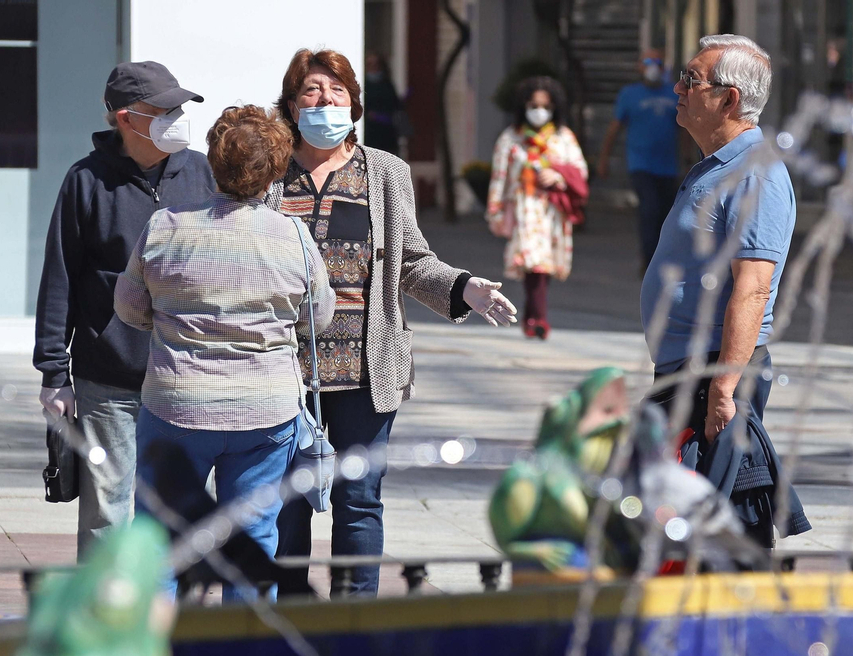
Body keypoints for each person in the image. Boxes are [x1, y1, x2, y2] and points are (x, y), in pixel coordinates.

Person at [267, 48, 518, 599]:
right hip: (284, 369)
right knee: (285, 498)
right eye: (311, 91)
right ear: (290, 104)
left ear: (354, 103)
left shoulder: (383, 172)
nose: (324, 101)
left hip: (365, 367)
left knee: (358, 498)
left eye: (336, 92)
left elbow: (410, 261)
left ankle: (354, 616)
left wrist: (464, 288)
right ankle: (287, 614)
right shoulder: (270, 172)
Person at [115, 105, 335, 600]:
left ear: (214, 163)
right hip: (265, 414)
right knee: (254, 538)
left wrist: (173, 320)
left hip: (176, 406)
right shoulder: (294, 238)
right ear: (276, 169)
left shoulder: (166, 225)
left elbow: (128, 306)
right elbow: (317, 319)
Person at [34, 61, 216, 560]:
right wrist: (53, 374)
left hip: (188, 378)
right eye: (163, 109)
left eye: (179, 107)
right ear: (125, 118)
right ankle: (101, 622)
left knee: (182, 513)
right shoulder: (86, 181)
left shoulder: (204, 173)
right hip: (108, 380)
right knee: (107, 513)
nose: (177, 116)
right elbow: (60, 279)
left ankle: (173, 620)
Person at [642, 34, 807, 548]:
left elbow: (753, 290)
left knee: (725, 527)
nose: (678, 87)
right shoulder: (718, 165)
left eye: (692, 79)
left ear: (729, 98)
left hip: (715, 374)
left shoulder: (756, 173)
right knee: (686, 526)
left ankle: (736, 622)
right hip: (687, 371)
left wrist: (723, 391)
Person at [486, 77, 588, 340]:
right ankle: (537, 318)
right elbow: (499, 176)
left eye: (545, 105)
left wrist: (558, 177)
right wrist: (495, 209)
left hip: (552, 210)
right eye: (533, 105)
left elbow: (580, 171)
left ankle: (533, 316)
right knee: (533, 262)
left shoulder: (563, 137)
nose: (539, 111)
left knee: (545, 264)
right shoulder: (511, 138)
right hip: (524, 207)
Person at [598, 49, 682, 271]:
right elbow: (614, 128)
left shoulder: (674, 94)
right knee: (649, 209)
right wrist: (604, 159)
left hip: (668, 166)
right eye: (648, 62)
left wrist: (689, 159)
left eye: (657, 62)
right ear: (640, 67)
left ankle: (662, 258)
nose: (653, 66)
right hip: (640, 163)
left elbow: (684, 130)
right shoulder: (630, 94)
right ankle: (649, 261)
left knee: (666, 214)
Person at [362, 52, 405, 156]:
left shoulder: (387, 84)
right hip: (368, 131)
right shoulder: (363, 85)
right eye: (370, 64)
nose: (373, 67)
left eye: (376, 64)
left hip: (386, 132)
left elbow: (395, 105)